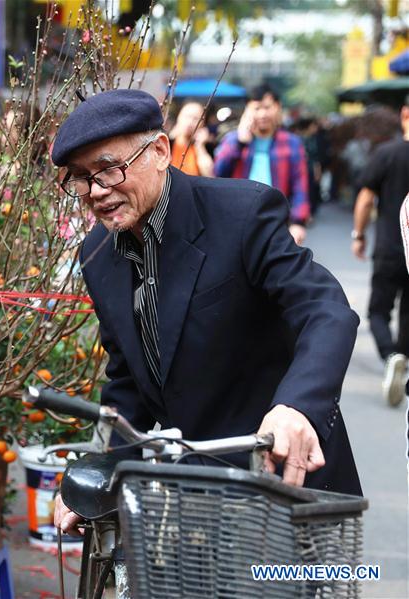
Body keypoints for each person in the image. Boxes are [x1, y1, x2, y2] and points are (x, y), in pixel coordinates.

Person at [49, 89, 362, 534]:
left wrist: (297, 407)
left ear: (160, 151)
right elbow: (128, 384)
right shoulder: (97, 253)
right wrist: (98, 474)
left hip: (286, 480)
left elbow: (325, 310)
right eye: (81, 178)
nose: (97, 191)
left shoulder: (242, 213)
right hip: (196, 503)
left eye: (109, 169)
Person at [351, 95, 409, 407]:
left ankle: (390, 356)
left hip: (389, 247)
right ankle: (403, 362)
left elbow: (364, 200)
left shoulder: (387, 153)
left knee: (378, 311)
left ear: (404, 114)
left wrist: (358, 235)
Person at [213, 85, 310, 246]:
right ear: (247, 110)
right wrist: (240, 142)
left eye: (267, 107)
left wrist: (298, 222)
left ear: (278, 107)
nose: (262, 114)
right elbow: (218, 172)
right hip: (237, 221)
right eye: (257, 108)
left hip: (276, 222)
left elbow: (300, 183)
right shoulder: (233, 140)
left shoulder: (291, 143)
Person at [168, 101, 214, 177]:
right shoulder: (167, 143)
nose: (190, 122)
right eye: (186, 116)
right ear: (178, 117)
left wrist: (200, 146)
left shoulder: (207, 147)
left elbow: (209, 176)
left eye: (196, 119)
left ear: (203, 124)